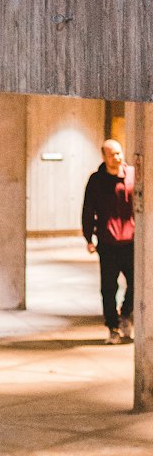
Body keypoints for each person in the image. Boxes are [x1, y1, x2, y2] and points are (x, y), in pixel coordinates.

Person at [82, 138, 135, 344]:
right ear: (104, 157)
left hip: (130, 241)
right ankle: (112, 326)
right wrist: (89, 238)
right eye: (112, 154)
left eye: (119, 153)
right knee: (108, 287)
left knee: (136, 282)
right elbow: (88, 210)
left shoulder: (132, 175)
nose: (117, 158)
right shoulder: (96, 180)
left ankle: (126, 314)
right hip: (107, 242)